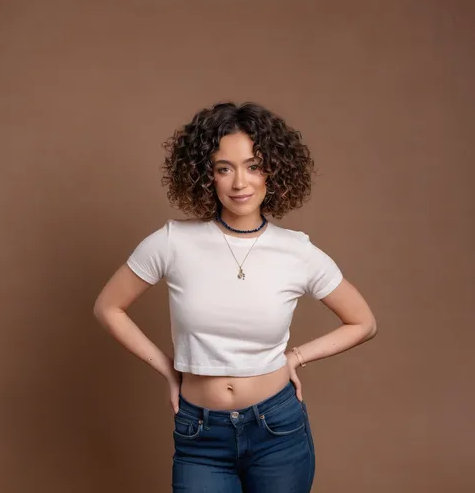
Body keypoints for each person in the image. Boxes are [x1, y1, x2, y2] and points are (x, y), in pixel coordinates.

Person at [93, 101, 377, 492]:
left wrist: (295, 357)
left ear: (273, 172)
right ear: (205, 175)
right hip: (200, 434)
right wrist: (168, 367)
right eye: (224, 168)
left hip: (277, 430)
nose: (239, 182)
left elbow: (363, 321)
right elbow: (108, 307)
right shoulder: (174, 242)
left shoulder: (296, 251)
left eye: (253, 166)